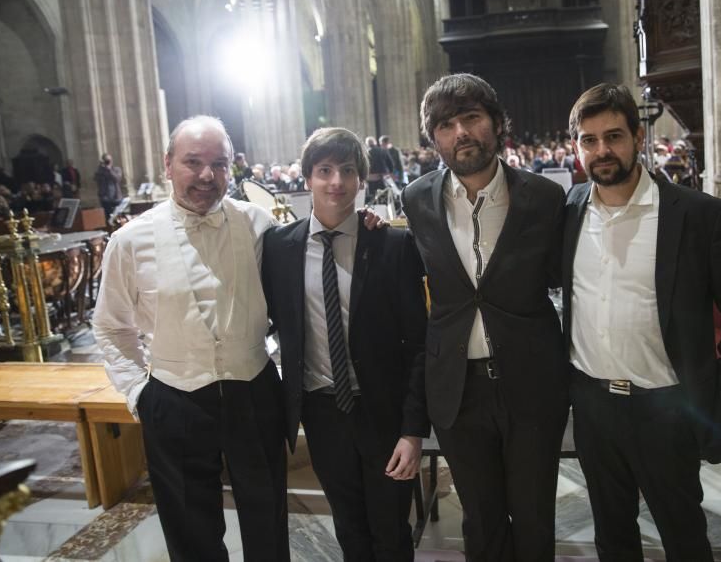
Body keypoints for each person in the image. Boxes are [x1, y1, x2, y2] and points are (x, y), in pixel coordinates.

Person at [562, 83, 721, 561]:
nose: (601, 150)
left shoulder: (698, 215)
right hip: (593, 406)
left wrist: (718, 398)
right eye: (588, 140)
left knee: (684, 536)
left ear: (637, 137)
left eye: (613, 136)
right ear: (576, 147)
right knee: (612, 535)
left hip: (666, 409)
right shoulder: (568, 210)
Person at [92, 116, 289, 562]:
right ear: (168, 164)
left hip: (254, 388)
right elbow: (110, 324)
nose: (206, 175)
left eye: (218, 164)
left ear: (231, 168)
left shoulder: (259, 226)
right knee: (189, 527)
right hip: (174, 397)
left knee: (267, 516)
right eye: (192, 162)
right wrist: (138, 393)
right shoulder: (130, 240)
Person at [402, 73, 568, 561]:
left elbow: (567, 277)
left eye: (471, 118)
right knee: (480, 517)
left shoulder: (543, 197)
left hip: (532, 384)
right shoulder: (417, 199)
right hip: (457, 388)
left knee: (535, 514)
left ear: (496, 124)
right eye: (446, 124)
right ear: (434, 137)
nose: (461, 133)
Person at [262, 127, 428, 561]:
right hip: (322, 412)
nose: (336, 181)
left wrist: (413, 430)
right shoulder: (279, 249)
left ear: (362, 180)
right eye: (324, 170)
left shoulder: (392, 244)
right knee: (349, 528)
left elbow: (418, 345)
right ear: (306, 178)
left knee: (392, 531)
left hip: (383, 413)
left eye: (348, 171)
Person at [365, 136, 394, 202]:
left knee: (372, 196)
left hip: (370, 178)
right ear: (375, 142)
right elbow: (390, 163)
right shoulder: (383, 150)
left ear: (367, 144)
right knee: (382, 195)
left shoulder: (366, 152)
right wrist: (391, 172)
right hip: (382, 177)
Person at [94, 153, 123, 219]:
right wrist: (100, 168)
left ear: (112, 160)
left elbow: (117, 179)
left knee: (118, 217)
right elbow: (96, 178)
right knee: (107, 217)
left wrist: (109, 170)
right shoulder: (101, 170)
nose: (108, 162)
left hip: (116, 197)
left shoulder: (116, 169)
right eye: (106, 160)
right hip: (105, 198)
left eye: (109, 160)